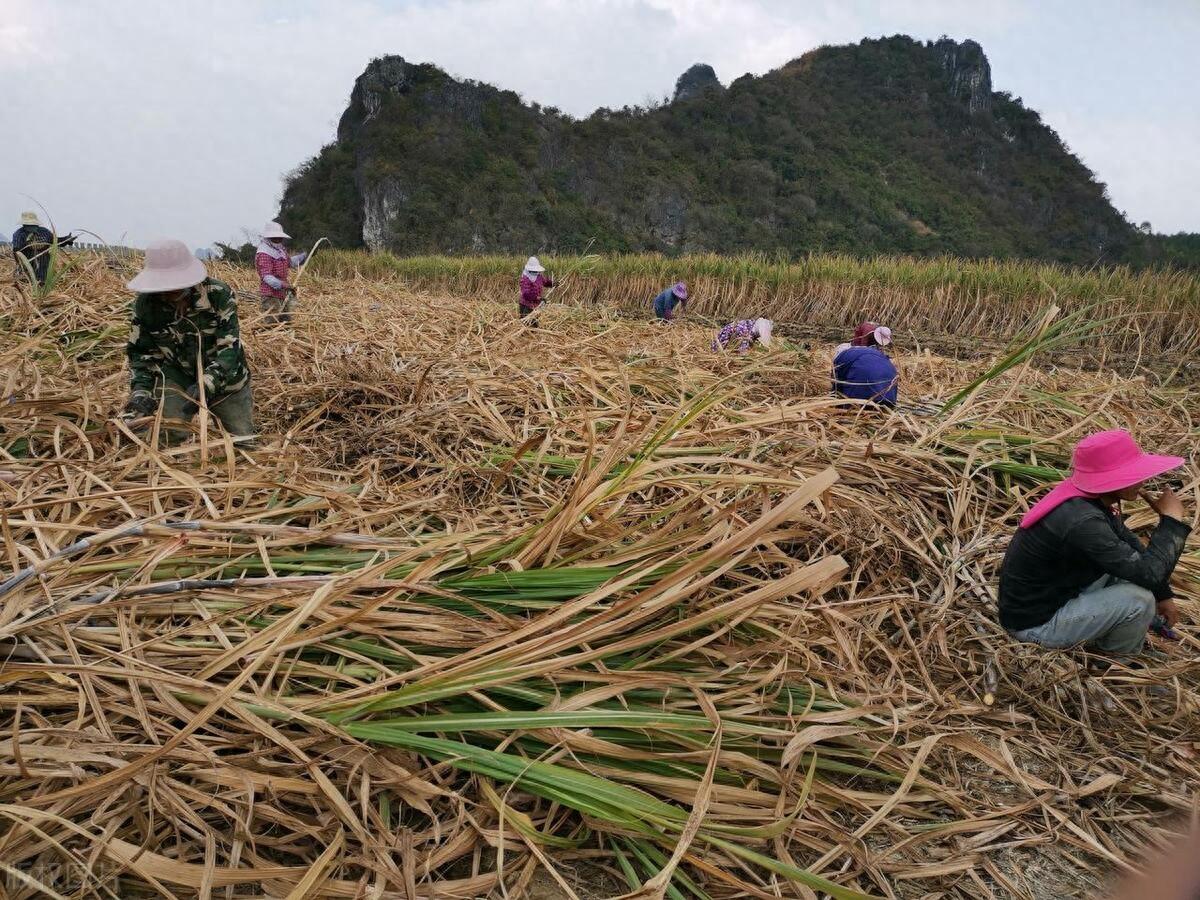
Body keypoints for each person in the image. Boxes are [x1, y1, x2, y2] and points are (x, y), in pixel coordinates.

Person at [998, 429, 1189, 656]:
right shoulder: (1082, 520)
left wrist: (1164, 596)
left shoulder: (1090, 501)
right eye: (1133, 474)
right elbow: (1150, 573)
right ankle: (1116, 664)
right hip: (1036, 625)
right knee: (1139, 600)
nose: (1143, 480)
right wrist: (1171, 522)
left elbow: (1133, 551)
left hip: (1064, 594)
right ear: (1111, 478)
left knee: (1131, 577)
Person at [122, 239, 254, 444]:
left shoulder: (218, 295)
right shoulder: (146, 305)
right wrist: (141, 392)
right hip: (177, 375)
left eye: (175, 286)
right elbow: (142, 354)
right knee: (168, 436)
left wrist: (207, 383)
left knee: (243, 440)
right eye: (162, 286)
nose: (168, 292)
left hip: (226, 377)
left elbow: (230, 348)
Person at [832, 321, 898, 407]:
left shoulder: (843, 351)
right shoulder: (884, 358)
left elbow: (836, 379)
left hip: (858, 400)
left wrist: (835, 401)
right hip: (889, 399)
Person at [255, 221, 307, 324]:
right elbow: (266, 276)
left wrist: (304, 256)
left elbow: (290, 262)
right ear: (269, 237)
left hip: (282, 293)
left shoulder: (280, 249)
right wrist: (283, 285)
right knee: (272, 322)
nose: (278, 239)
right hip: (270, 294)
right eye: (275, 237)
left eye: (279, 237)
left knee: (286, 321)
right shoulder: (264, 253)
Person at [11, 211, 74, 287]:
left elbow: (55, 241)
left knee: (42, 284)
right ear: (24, 225)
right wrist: (21, 263)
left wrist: (66, 239)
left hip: (43, 265)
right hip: (28, 266)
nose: (31, 227)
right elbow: (17, 251)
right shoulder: (19, 234)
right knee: (27, 285)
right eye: (28, 225)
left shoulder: (44, 232)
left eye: (33, 225)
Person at [518, 256, 554, 325]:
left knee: (535, 322)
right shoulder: (525, 279)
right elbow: (526, 294)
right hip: (526, 305)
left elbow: (545, 282)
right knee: (527, 324)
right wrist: (538, 298)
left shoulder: (538, 276)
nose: (535, 272)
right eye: (533, 270)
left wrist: (552, 283)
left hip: (535, 305)